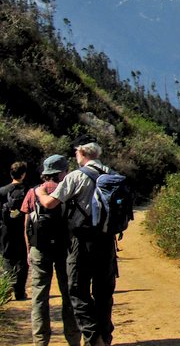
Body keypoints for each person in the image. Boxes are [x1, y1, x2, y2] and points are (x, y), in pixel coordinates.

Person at [35, 142, 117, 346]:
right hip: (107, 242)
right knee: (103, 292)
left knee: (78, 291)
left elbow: (50, 203)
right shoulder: (112, 174)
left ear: (82, 154)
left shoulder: (76, 176)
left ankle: (92, 337)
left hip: (82, 242)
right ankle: (105, 337)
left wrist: (40, 193)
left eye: (76, 153)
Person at [23, 154, 81, 346]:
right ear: (61, 172)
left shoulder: (33, 192)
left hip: (39, 248)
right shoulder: (67, 190)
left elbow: (27, 223)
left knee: (39, 296)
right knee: (69, 294)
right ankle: (73, 338)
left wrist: (29, 249)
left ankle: (40, 341)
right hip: (65, 248)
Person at [1, 160, 30, 300]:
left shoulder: (2, 191)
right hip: (22, 229)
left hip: (6, 230)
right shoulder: (28, 190)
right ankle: (19, 291)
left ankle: (7, 289)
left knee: (7, 258)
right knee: (22, 260)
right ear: (23, 174)